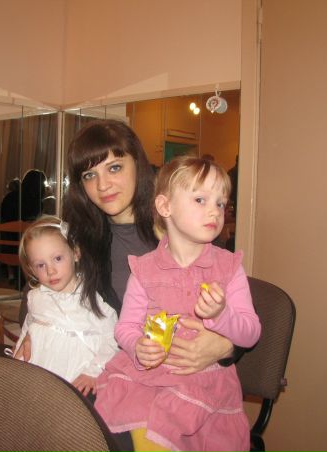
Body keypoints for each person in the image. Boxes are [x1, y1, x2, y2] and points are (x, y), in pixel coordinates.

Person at [95, 155, 261, 452]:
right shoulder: (144, 270)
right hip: (148, 378)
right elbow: (126, 327)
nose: (214, 211)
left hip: (204, 386)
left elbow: (251, 333)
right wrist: (137, 347)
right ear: (165, 207)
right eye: (200, 200)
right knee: (137, 431)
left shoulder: (229, 268)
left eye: (220, 203)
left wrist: (222, 315)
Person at [13, 215, 118, 397]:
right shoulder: (35, 296)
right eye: (40, 265)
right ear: (31, 269)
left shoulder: (91, 298)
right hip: (38, 373)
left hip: (75, 376)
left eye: (58, 258)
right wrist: (17, 357)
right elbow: (27, 329)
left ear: (75, 253)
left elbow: (112, 338)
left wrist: (93, 371)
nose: (50, 270)